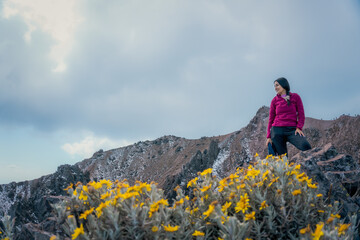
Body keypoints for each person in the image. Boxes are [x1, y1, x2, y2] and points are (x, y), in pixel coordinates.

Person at [266, 77, 311, 156]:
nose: (275, 88)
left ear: (284, 85)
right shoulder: (274, 100)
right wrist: (269, 137)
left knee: (305, 146)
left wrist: (299, 127)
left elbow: (301, 114)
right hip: (277, 131)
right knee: (283, 159)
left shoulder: (295, 97)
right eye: (274, 86)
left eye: (277, 85)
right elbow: (271, 119)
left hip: (292, 130)